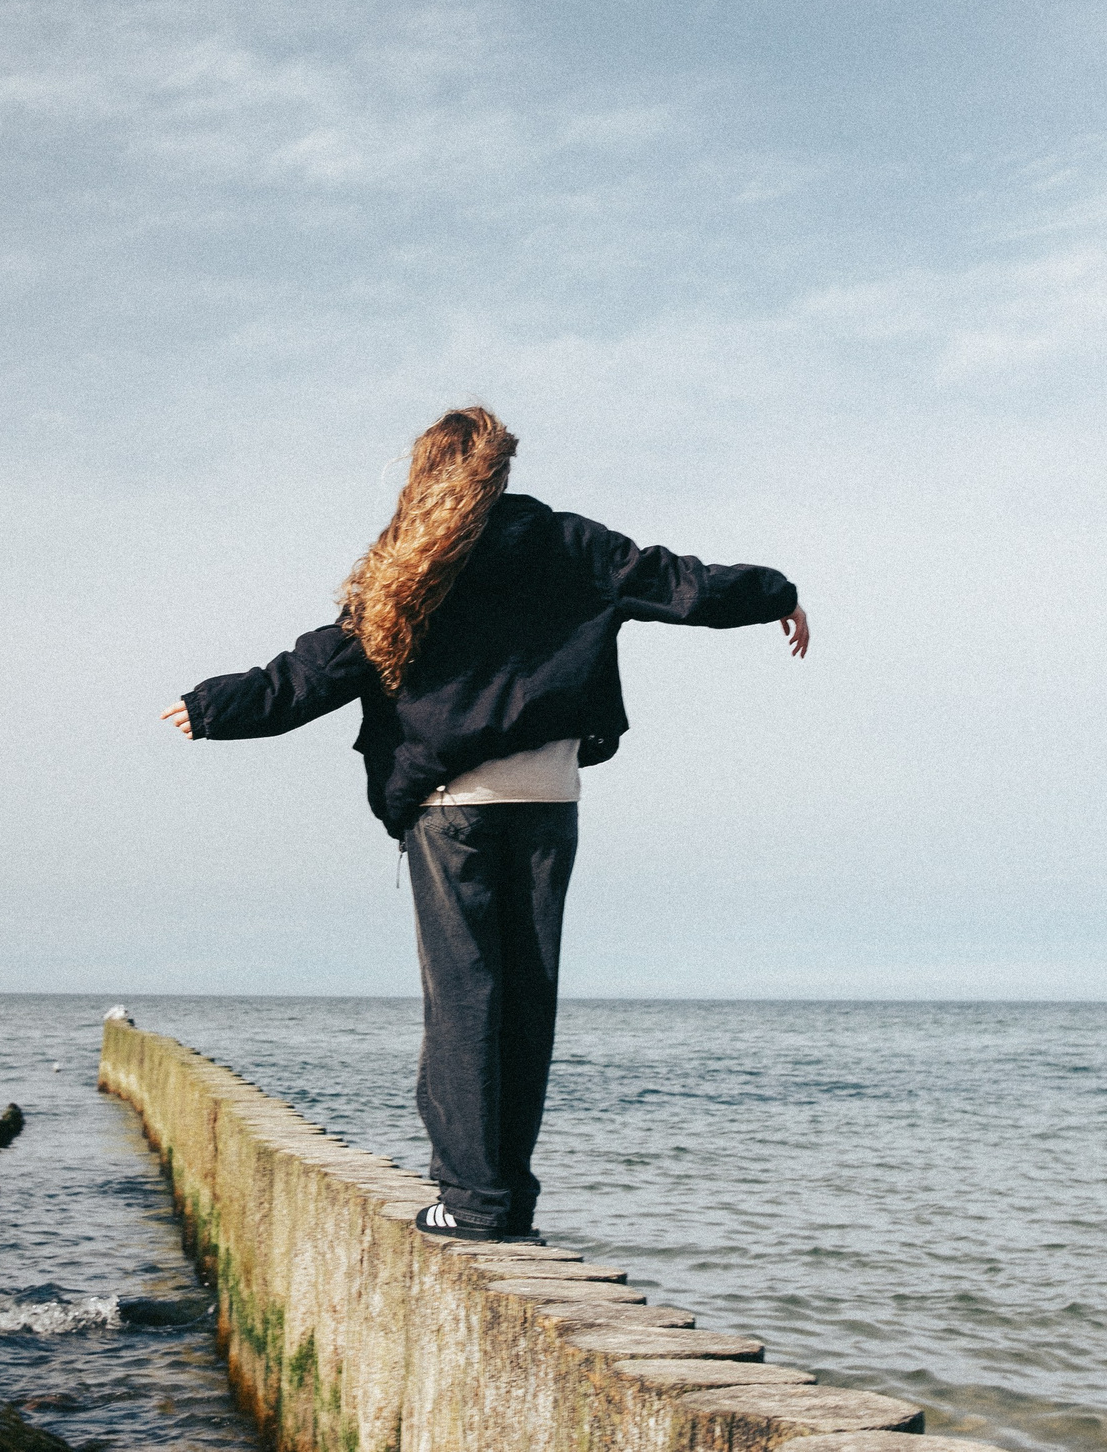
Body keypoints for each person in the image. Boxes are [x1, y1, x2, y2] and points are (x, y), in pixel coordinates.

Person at [160, 406, 808, 1242]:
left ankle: (471, 1200)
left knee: (467, 1000)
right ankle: (505, 1199)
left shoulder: (414, 561)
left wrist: (215, 707)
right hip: (549, 799)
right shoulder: (571, 543)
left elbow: (317, 669)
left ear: (425, 472)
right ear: (500, 468)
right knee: (526, 1003)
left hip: (451, 806)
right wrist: (779, 594)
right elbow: (686, 583)